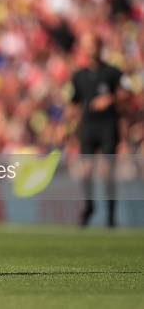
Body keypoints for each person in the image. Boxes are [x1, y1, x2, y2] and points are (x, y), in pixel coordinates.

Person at [69, 35, 129, 227]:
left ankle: (111, 217)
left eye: (92, 46)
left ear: (99, 47)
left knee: (107, 171)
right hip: (88, 126)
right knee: (86, 171)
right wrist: (67, 125)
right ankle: (90, 206)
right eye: (86, 47)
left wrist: (110, 98)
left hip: (108, 126)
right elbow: (74, 102)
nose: (89, 50)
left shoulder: (113, 72)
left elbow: (127, 94)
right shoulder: (79, 76)